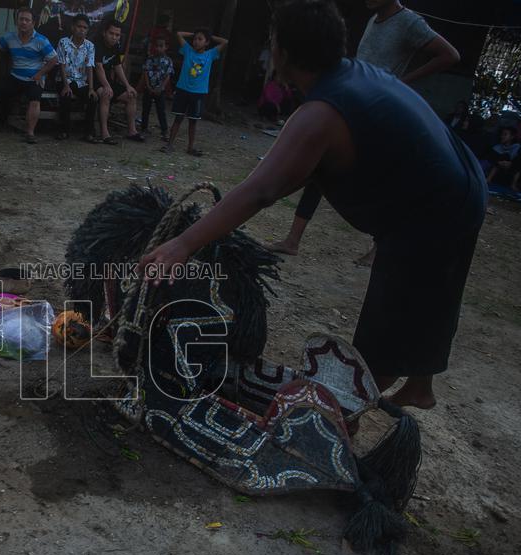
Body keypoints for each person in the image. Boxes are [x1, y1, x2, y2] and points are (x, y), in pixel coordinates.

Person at [138, 0, 486, 411]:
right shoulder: (353, 76)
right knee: (432, 291)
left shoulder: (321, 113)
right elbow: (284, 178)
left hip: (434, 207)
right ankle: (419, 387)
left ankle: (344, 410)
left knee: (392, 316)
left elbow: (260, 191)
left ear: (282, 53)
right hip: (464, 184)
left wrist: (181, 246)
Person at [269, 0, 460, 260]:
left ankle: (378, 249)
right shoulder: (374, 19)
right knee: (317, 170)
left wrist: (403, 83)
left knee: (387, 183)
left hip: (378, 114)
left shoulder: (410, 22)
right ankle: (293, 239)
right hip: (350, 105)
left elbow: (449, 55)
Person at [0, 6, 57, 144]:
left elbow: (54, 60)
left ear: (33, 23)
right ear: (17, 22)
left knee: (35, 100)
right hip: (15, 76)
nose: (23, 22)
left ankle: (30, 133)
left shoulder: (41, 40)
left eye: (27, 20)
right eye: (21, 19)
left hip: (33, 78)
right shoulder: (10, 37)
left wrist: (40, 74)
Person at [161, 28, 227, 156]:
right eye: (195, 39)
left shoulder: (210, 54)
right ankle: (170, 144)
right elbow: (179, 33)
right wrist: (196, 33)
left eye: (200, 39)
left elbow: (225, 42)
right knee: (178, 118)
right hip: (182, 90)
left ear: (207, 43)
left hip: (198, 93)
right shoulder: (188, 50)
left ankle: (190, 147)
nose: (196, 41)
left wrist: (209, 36)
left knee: (193, 121)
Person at [91, 19, 142, 144]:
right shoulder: (96, 45)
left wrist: (127, 85)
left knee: (131, 96)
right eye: (111, 33)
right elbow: (98, 67)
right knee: (105, 94)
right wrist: (107, 86)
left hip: (108, 80)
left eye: (117, 35)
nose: (114, 37)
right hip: (93, 81)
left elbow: (117, 67)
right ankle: (104, 133)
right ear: (104, 33)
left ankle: (132, 131)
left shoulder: (117, 47)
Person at [55, 13, 97, 141]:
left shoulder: (90, 46)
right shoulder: (64, 42)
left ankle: (88, 133)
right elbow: (61, 65)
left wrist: (91, 88)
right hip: (64, 79)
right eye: (79, 26)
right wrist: (66, 86)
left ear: (87, 30)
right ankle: (64, 131)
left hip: (80, 81)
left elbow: (90, 67)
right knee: (66, 95)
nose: (81, 30)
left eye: (84, 27)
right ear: (73, 27)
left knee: (92, 99)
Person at [140, 36, 174, 140]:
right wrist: (148, 86)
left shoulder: (168, 61)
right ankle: (144, 128)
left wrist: (161, 87)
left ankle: (164, 131)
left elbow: (168, 75)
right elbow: (145, 72)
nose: (158, 48)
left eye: (161, 46)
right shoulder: (150, 59)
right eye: (157, 46)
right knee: (146, 109)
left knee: (161, 110)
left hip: (160, 90)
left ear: (166, 47)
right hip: (149, 88)